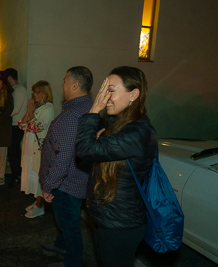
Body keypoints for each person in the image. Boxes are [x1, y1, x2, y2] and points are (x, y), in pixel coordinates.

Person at [75, 66, 157, 267]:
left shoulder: (137, 132)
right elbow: (91, 158)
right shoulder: (119, 126)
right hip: (109, 219)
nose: (104, 97)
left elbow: (84, 150)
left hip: (121, 225)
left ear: (134, 94)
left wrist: (94, 109)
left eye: (110, 90)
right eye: (103, 90)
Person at [39, 66, 93, 267]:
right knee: (66, 222)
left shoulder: (72, 116)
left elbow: (64, 156)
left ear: (75, 85)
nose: (62, 84)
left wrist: (49, 185)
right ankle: (61, 246)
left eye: (64, 80)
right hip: (78, 179)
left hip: (66, 184)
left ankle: (72, 262)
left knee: (69, 225)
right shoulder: (88, 108)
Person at [19, 80, 54, 218]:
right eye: (34, 91)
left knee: (38, 176)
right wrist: (28, 112)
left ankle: (40, 206)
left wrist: (30, 112)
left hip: (38, 148)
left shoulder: (48, 108)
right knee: (31, 174)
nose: (34, 94)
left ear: (45, 94)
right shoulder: (36, 107)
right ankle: (36, 202)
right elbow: (22, 125)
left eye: (37, 92)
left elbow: (37, 127)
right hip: (29, 146)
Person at [5, 68, 28, 187]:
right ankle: (16, 175)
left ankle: (16, 177)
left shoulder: (19, 90)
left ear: (9, 78)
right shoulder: (15, 89)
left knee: (14, 153)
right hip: (13, 125)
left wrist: (1, 114)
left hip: (16, 125)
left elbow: (16, 109)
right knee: (13, 152)